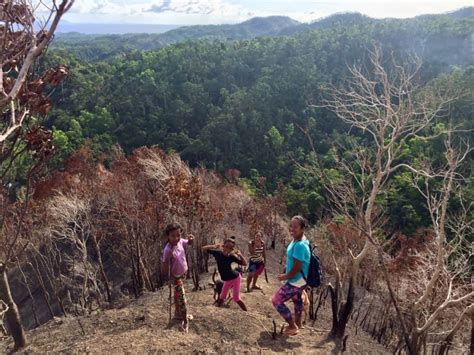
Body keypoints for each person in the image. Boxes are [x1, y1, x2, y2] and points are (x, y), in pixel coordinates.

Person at [272, 215, 310, 337]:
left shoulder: (300, 245)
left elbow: (297, 267)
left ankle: (292, 326)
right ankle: (298, 323)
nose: (292, 229)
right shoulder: (299, 240)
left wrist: (285, 276)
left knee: (276, 300)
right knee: (297, 299)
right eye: (291, 226)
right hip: (300, 280)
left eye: (295, 227)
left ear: (302, 228)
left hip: (296, 280)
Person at [162, 223, 194, 332]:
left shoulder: (180, 241)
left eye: (178, 235)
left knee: (177, 295)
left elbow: (188, 243)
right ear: (168, 236)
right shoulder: (167, 250)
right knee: (181, 298)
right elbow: (165, 270)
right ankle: (185, 320)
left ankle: (177, 313)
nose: (176, 238)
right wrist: (168, 258)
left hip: (182, 273)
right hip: (175, 277)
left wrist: (190, 240)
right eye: (173, 236)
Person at [202, 236, 248, 311]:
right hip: (227, 280)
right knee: (222, 296)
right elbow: (203, 248)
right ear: (223, 246)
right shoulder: (218, 253)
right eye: (226, 246)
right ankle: (218, 309)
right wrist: (214, 246)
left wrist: (240, 255)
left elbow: (245, 264)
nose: (227, 249)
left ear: (232, 250)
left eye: (230, 248)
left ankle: (246, 312)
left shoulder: (231, 257)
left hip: (235, 278)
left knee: (236, 298)